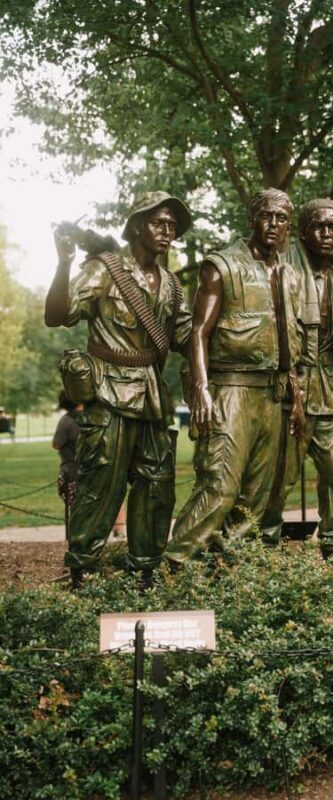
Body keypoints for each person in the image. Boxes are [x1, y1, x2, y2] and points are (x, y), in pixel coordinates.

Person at [45, 191, 192, 589]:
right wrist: (64, 263)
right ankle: (83, 572)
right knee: (100, 486)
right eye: (159, 223)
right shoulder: (104, 269)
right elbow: (57, 315)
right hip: (108, 395)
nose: (167, 231)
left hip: (153, 400)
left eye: (172, 225)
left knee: (157, 487)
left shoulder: (173, 287)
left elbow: (189, 338)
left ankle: (145, 571)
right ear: (136, 226)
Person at [165, 188, 304, 567]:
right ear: (253, 219)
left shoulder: (290, 273)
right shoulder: (221, 266)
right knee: (220, 486)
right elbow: (198, 333)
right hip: (231, 388)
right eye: (266, 217)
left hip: (274, 394)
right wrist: (202, 391)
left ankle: (231, 573)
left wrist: (297, 395)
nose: (273, 225)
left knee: (257, 497)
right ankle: (176, 567)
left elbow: (293, 338)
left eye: (281, 219)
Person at [261, 197, 333, 559]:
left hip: (331, 391)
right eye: (318, 227)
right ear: (303, 231)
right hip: (288, 390)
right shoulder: (282, 271)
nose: (327, 234)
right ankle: (260, 553)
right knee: (278, 482)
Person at [53, 392, 83, 512]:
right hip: (93, 469)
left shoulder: (66, 420)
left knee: (77, 508)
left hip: (72, 470)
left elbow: (56, 444)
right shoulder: (93, 417)